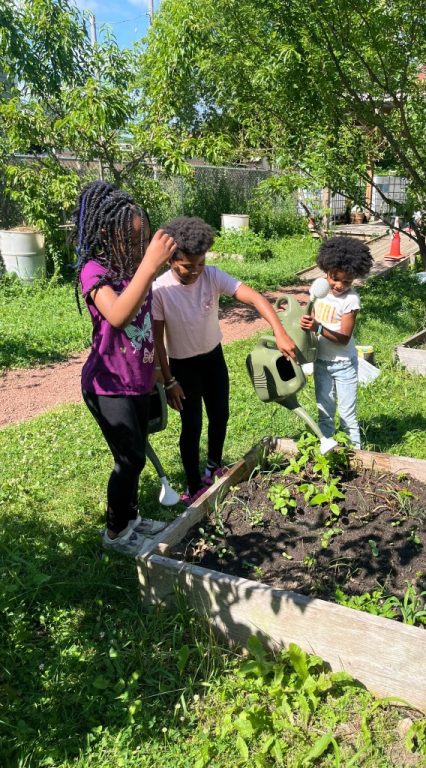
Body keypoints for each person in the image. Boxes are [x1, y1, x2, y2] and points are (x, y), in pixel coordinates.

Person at [152, 216, 297, 505]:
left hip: (213, 359)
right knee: (191, 426)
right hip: (183, 367)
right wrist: (169, 381)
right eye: (187, 266)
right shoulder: (160, 290)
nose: (195, 271)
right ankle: (194, 486)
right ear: (171, 260)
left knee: (220, 415)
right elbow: (157, 341)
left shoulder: (213, 276)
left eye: (200, 264)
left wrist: (278, 331)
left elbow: (256, 298)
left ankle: (213, 467)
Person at [74, 180, 177, 556]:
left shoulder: (136, 270)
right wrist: (148, 267)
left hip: (136, 380)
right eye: (132, 241)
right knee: (129, 458)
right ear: (106, 234)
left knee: (136, 453)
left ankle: (132, 518)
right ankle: (116, 531)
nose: (139, 249)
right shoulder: (93, 270)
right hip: (107, 384)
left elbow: (147, 330)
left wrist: (156, 375)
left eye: (143, 241)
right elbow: (118, 315)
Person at [300, 236, 373, 449]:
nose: (339, 285)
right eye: (334, 278)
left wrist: (318, 328)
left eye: (347, 281)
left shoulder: (351, 300)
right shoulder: (318, 289)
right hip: (321, 362)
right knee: (324, 410)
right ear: (326, 269)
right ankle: (327, 447)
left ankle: (355, 453)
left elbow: (344, 338)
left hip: (344, 364)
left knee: (347, 413)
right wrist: (304, 322)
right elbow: (309, 314)